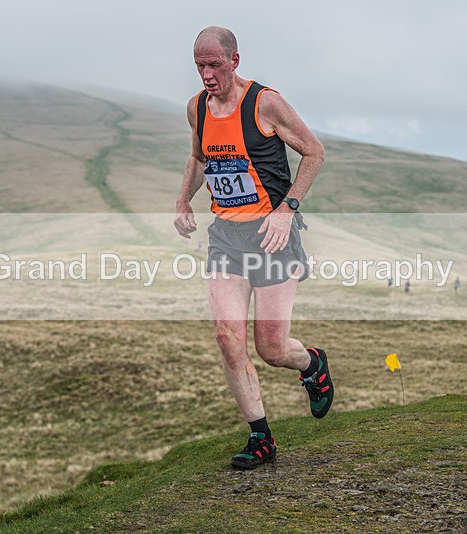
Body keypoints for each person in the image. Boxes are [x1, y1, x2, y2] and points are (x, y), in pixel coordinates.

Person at [174, 27, 332, 469]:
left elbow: (315, 152)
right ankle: (261, 437)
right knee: (228, 339)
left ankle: (312, 364)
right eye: (199, 66)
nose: (206, 75)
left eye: (214, 66)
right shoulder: (197, 109)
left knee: (272, 348)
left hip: (272, 235)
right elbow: (199, 157)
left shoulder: (265, 103)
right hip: (226, 236)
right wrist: (184, 198)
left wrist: (287, 210)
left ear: (234, 60)